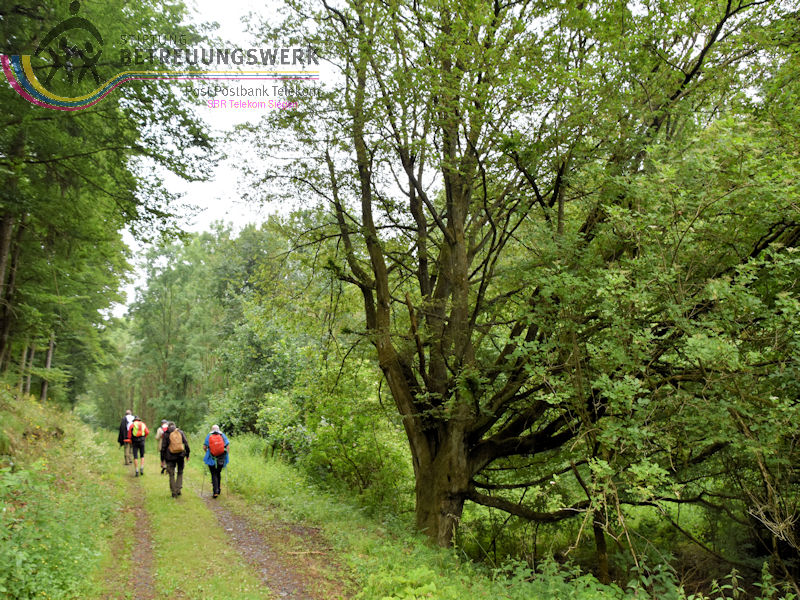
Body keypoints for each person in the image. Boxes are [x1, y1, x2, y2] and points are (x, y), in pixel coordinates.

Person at [161, 421, 190, 498]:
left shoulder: (166, 434)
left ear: (168, 427)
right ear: (175, 426)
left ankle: (174, 492)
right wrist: (187, 454)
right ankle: (178, 489)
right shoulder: (180, 432)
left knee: (171, 474)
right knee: (180, 472)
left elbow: (163, 447)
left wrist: (162, 459)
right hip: (180, 455)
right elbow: (186, 443)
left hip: (169, 456)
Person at [203, 424, 229, 498]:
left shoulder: (209, 436)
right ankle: (218, 489)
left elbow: (204, 447)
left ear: (212, 430)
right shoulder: (223, 435)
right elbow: (227, 447)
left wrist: (207, 452)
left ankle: (215, 491)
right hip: (221, 457)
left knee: (213, 473)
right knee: (218, 472)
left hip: (211, 457)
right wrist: (226, 455)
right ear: (219, 430)